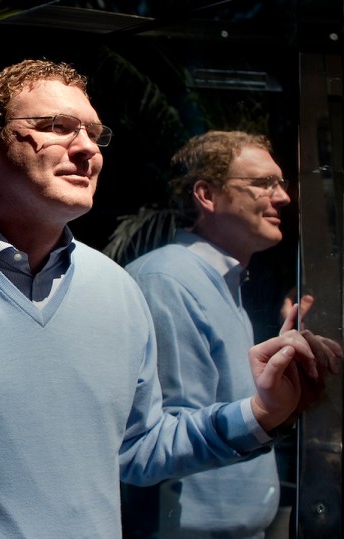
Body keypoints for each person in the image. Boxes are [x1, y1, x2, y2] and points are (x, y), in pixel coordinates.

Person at [0, 59, 327, 537]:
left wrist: (263, 412)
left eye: (94, 133)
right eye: (56, 127)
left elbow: (140, 449)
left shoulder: (117, 289)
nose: (85, 149)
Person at [121, 131, 341, 537]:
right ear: (206, 195)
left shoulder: (222, 282)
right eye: (263, 183)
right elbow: (162, 439)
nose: (283, 198)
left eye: (281, 183)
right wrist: (263, 413)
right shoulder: (168, 281)